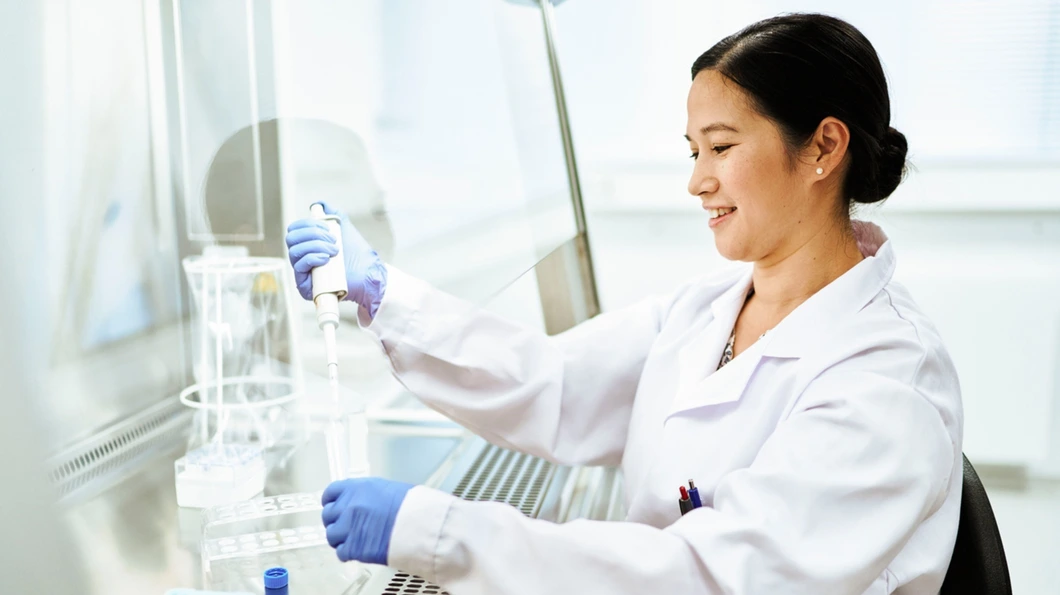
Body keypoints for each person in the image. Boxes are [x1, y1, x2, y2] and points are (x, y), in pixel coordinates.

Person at [285, 13, 962, 595]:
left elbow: (713, 577)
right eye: (694, 150)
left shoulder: (886, 381)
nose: (698, 181)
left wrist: (439, 531)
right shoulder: (705, 311)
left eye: (722, 147)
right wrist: (387, 293)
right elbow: (554, 382)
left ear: (823, 147)